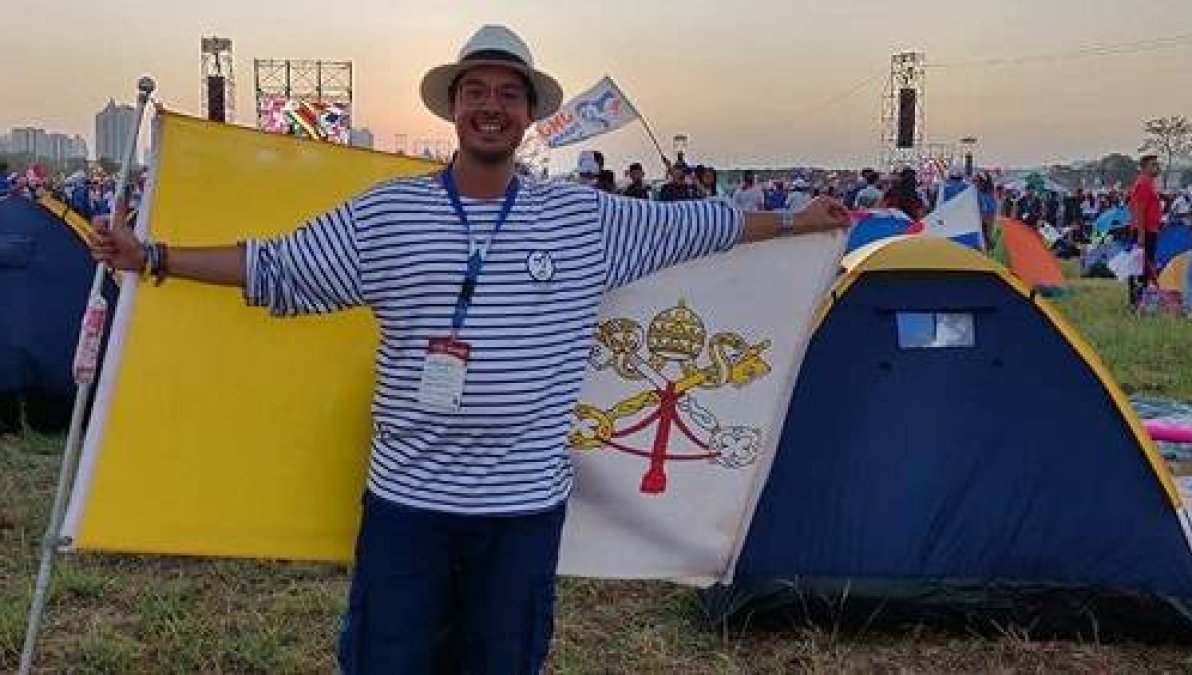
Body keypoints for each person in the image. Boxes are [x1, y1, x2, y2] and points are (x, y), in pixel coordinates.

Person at [88, 24, 851, 674]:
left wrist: (797, 221)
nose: (492, 106)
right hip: (407, 507)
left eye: (508, 94)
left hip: (520, 514)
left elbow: (706, 226)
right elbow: (276, 267)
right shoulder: (389, 214)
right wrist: (152, 256)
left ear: (527, 115)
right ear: (454, 107)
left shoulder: (586, 221)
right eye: (476, 91)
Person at [1128, 154, 1163, 308]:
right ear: (1144, 168)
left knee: (1145, 268)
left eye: (1157, 164)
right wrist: (1141, 236)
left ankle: (1141, 300)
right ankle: (1137, 302)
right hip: (1145, 232)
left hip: (1150, 230)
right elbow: (1139, 210)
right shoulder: (1143, 184)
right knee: (1140, 268)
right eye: (1153, 165)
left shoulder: (1149, 183)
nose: (1157, 167)